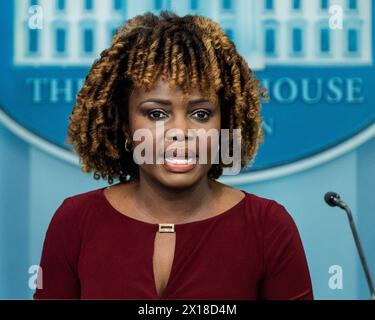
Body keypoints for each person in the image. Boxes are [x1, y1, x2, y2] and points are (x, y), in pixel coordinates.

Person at [33, 11, 313, 300]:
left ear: (224, 126)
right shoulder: (75, 222)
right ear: (126, 126)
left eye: (201, 114)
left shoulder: (268, 226)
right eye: (156, 114)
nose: (180, 131)